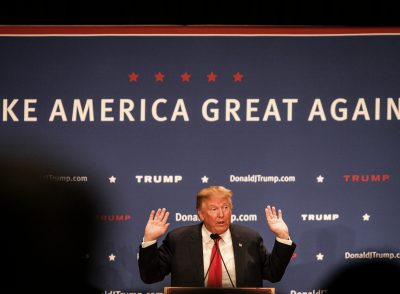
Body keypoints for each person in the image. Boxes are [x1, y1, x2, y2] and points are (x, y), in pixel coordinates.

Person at [138, 185, 296, 288]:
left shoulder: (249, 238)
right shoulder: (178, 240)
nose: (221, 214)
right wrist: (150, 240)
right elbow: (150, 276)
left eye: (226, 207)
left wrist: (282, 236)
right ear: (201, 214)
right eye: (214, 209)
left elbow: (273, 274)